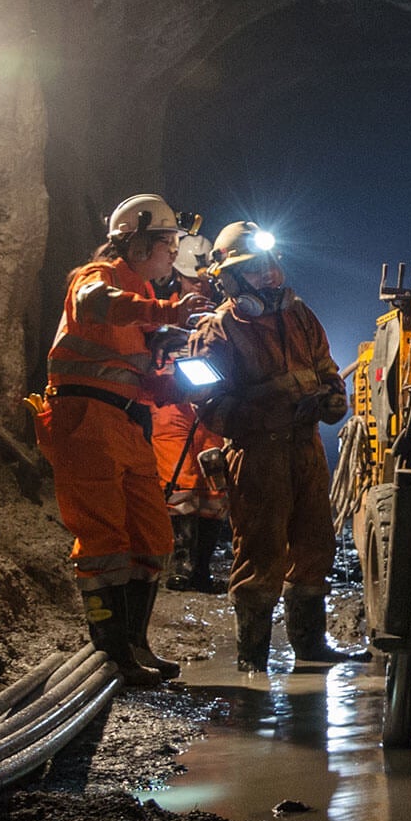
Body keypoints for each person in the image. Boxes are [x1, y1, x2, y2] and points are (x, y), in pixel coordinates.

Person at [37, 193, 204, 686]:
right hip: (84, 419)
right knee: (104, 538)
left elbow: (141, 381)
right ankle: (111, 653)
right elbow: (96, 306)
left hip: (127, 423)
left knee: (152, 537)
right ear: (134, 242)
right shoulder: (98, 278)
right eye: (166, 242)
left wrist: (190, 387)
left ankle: (134, 643)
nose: (173, 252)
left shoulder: (146, 303)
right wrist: (170, 315)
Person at [183, 222, 362, 670]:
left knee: (315, 543)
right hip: (257, 456)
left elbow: (326, 367)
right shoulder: (215, 331)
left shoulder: (301, 317)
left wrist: (332, 397)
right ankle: (253, 660)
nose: (271, 278)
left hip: (305, 451)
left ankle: (310, 647)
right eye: (257, 270)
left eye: (271, 267)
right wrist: (271, 410)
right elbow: (208, 405)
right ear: (230, 279)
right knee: (259, 554)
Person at [149, 233, 230, 592]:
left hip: (213, 403)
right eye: (191, 277)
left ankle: (201, 568)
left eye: (202, 277)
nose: (198, 283)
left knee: (213, 485)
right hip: (172, 404)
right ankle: (179, 565)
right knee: (178, 484)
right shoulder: (160, 305)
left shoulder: (224, 309)